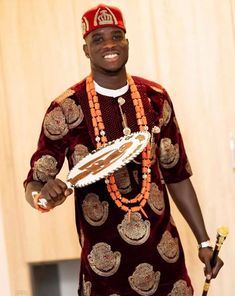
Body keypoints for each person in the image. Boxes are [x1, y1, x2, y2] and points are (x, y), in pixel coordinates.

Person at [24, 4, 223, 296]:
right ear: (85, 49)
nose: (109, 45)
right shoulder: (66, 108)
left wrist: (204, 243)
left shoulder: (155, 98)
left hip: (166, 262)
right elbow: (35, 184)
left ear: (127, 42)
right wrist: (43, 197)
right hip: (104, 274)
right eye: (98, 39)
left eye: (117, 36)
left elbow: (177, 173)